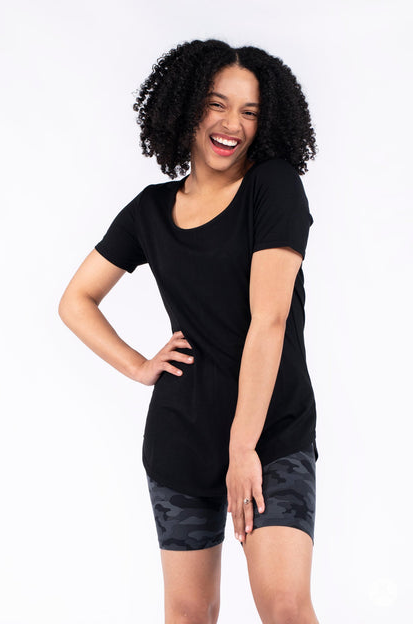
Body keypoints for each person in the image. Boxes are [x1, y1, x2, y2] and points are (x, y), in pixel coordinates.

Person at [58, 38, 320, 624]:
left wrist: (243, 448)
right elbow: (76, 300)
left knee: (284, 606)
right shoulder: (150, 211)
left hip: (271, 434)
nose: (232, 125)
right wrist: (137, 365)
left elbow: (270, 320)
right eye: (216, 105)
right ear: (186, 108)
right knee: (188, 614)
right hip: (182, 436)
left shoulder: (273, 186)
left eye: (250, 112)